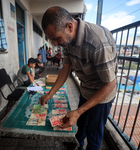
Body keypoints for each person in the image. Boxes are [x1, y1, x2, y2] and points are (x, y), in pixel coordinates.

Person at [39, 6, 118, 150]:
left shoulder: (98, 42)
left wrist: (78, 111)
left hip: (103, 93)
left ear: (69, 26)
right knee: (81, 123)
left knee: (94, 133)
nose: (55, 44)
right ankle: (77, 145)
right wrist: (50, 94)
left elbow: (109, 84)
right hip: (86, 89)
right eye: (52, 40)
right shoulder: (67, 40)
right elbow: (65, 68)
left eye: (56, 38)